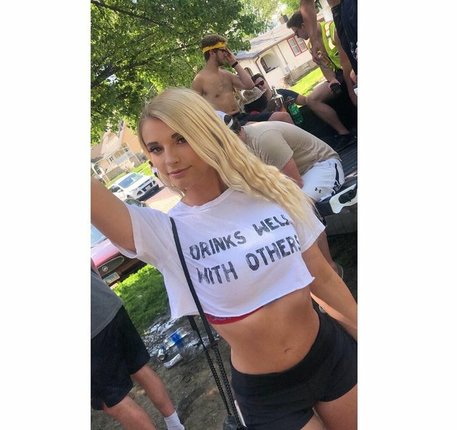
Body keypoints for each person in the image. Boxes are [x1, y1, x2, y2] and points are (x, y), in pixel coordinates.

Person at [91, 87, 357, 430]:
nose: (169, 158)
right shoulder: (164, 233)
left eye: (181, 139)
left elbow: (323, 278)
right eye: (156, 149)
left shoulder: (272, 190)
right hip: (270, 395)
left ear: (208, 134)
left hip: (331, 354)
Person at [216, 111, 345, 277]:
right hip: (294, 178)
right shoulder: (238, 150)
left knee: (298, 207)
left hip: (320, 165)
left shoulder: (263, 139)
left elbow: (295, 183)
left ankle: (330, 269)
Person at [91, 263, 185, 430]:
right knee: (138, 366)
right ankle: (175, 426)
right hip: (108, 303)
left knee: (112, 399)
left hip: (92, 331)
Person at [286, 12, 357, 146]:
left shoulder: (332, 30)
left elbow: (346, 63)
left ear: (303, 26)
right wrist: (332, 80)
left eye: (296, 33)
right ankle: (345, 134)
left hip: (352, 68)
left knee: (353, 77)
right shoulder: (311, 46)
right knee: (311, 100)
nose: (297, 37)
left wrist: (349, 88)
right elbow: (325, 68)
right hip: (338, 75)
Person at [191, 34, 292, 125]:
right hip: (226, 124)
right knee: (259, 126)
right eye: (223, 50)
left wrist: (234, 63)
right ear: (212, 52)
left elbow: (250, 85)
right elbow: (195, 109)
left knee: (283, 116)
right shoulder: (199, 80)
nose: (226, 54)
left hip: (240, 116)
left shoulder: (226, 74)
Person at [299, 0, 357, 75]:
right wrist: (314, 40)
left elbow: (307, 4)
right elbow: (307, 4)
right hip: (339, 11)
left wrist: (314, 40)